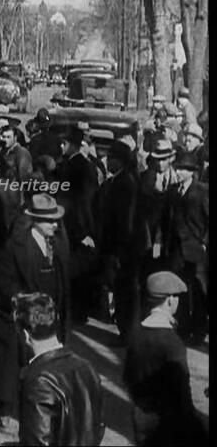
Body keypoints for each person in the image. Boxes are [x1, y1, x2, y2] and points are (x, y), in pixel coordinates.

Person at [0, 193, 70, 432]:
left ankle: (46, 407)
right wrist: (27, 305)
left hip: (51, 313)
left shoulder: (58, 242)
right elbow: (6, 284)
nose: (55, 224)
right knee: (15, 364)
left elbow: (63, 276)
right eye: (49, 220)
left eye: (56, 220)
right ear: (35, 221)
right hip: (22, 316)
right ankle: (5, 408)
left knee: (49, 363)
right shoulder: (15, 246)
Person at [123, 271, 207, 446]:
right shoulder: (172, 344)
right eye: (176, 297)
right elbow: (182, 394)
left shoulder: (135, 336)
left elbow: (127, 377)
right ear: (170, 301)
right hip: (168, 425)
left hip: (141, 416)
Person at [15, 292, 105, 446]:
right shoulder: (86, 367)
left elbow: (37, 441)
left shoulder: (39, 381)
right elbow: (99, 425)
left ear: (24, 334)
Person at [98, 140, 144, 342]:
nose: (107, 162)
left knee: (126, 291)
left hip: (125, 248)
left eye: (111, 159)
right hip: (125, 246)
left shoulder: (125, 183)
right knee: (124, 290)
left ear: (120, 161)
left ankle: (127, 332)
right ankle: (126, 330)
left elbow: (126, 220)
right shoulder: (123, 180)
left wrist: (119, 251)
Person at [162, 151, 209, 346]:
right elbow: (166, 220)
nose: (179, 172)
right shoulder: (172, 192)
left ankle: (198, 331)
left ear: (192, 172)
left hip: (196, 250)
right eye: (178, 168)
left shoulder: (202, 192)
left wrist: (204, 243)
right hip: (175, 249)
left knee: (197, 293)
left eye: (184, 169)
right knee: (178, 289)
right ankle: (182, 328)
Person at [58, 126, 99, 324]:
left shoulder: (81, 167)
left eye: (64, 143)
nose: (61, 146)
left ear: (73, 145)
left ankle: (78, 312)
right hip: (71, 224)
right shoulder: (70, 164)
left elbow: (85, 202)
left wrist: (83, 231)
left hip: (77, 227)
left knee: (78, 272)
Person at [138, 139, 177, 277]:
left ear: (171, 158)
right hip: (148, 236)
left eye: (164, 159)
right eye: (157, 160)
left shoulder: (178, 178)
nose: (160, 164)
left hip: (170, 238)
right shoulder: (143, 179)